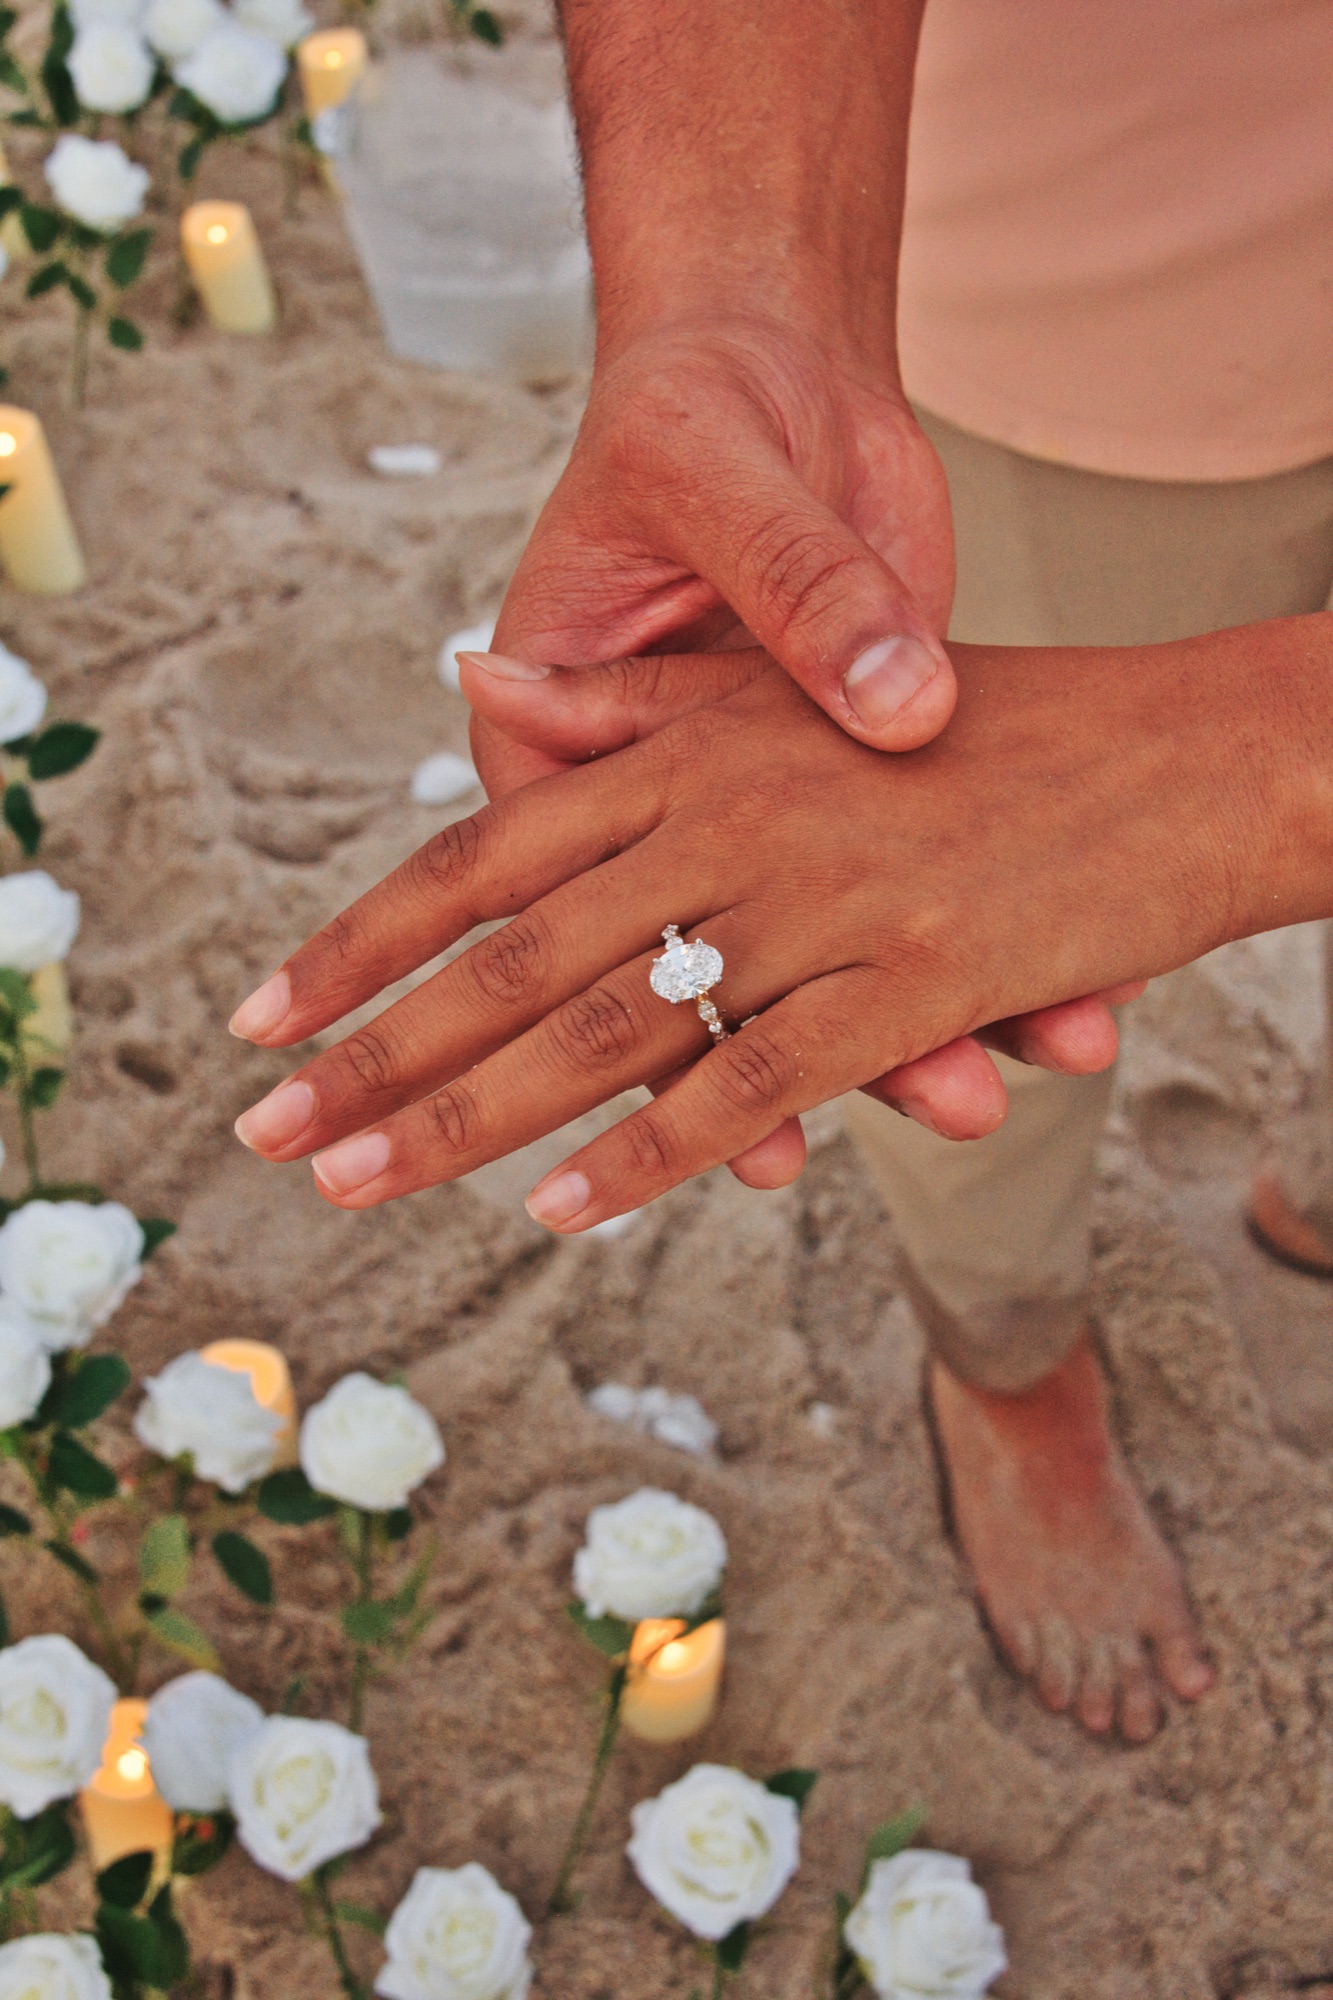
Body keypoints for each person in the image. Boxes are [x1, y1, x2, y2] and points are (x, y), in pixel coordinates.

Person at [229, 0, 1333, 1742]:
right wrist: (730, 296)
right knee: (954, 971)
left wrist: (1220, 774)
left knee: (984, 879)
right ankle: (1009, 1351)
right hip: (1083, 285)